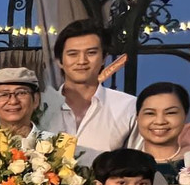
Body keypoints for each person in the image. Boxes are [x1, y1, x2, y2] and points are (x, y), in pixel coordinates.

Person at [40, 22, 137, 160]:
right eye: (73, 54)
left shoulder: (128, 106)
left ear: (104, 58)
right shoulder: (39, 108)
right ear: (59, 61)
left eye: (91, 53)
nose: (82, 61)